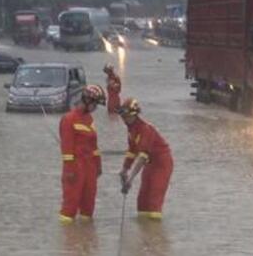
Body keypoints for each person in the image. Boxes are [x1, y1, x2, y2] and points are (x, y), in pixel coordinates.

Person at [117, 98, 173, 220]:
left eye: (126, 117)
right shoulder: (131, 130)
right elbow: (132, 151)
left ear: (135, 115)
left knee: (154, 198)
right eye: (123, 117)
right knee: (142, 201)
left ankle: (155, 234)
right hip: (149, 164)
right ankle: (143, 235)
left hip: (162, 163)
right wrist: (124, 169)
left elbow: (142, 157)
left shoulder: (145, 129)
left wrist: (130, 179)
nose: (124, 120)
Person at [59, 84, 106, 224]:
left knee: (88, 203)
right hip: (75, 167)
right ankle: (68, 239)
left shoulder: (89, 120)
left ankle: (86, 240)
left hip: (90, 167)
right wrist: (70, 169)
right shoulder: (68, 119)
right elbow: (67, 149)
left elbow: (94, 146)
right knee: (71, 204)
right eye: (95, 104)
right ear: (87, 100)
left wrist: (98, 165)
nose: (95, 108)